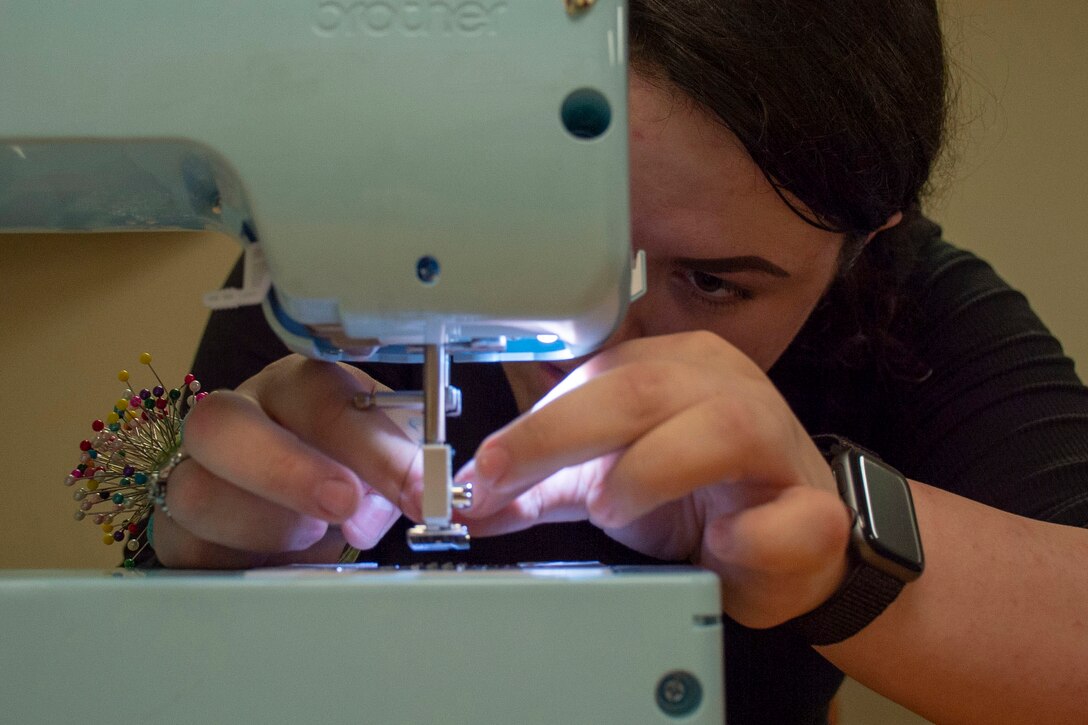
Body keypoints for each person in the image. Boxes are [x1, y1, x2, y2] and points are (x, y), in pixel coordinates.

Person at [149, 1, 1088, 722]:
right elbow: (149, 584)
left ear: (865, 241)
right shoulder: (335, 278)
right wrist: (199, 559)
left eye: (713, 282)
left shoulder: (908, 309)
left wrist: (832, 549)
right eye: (535, 244)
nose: (584, 351)